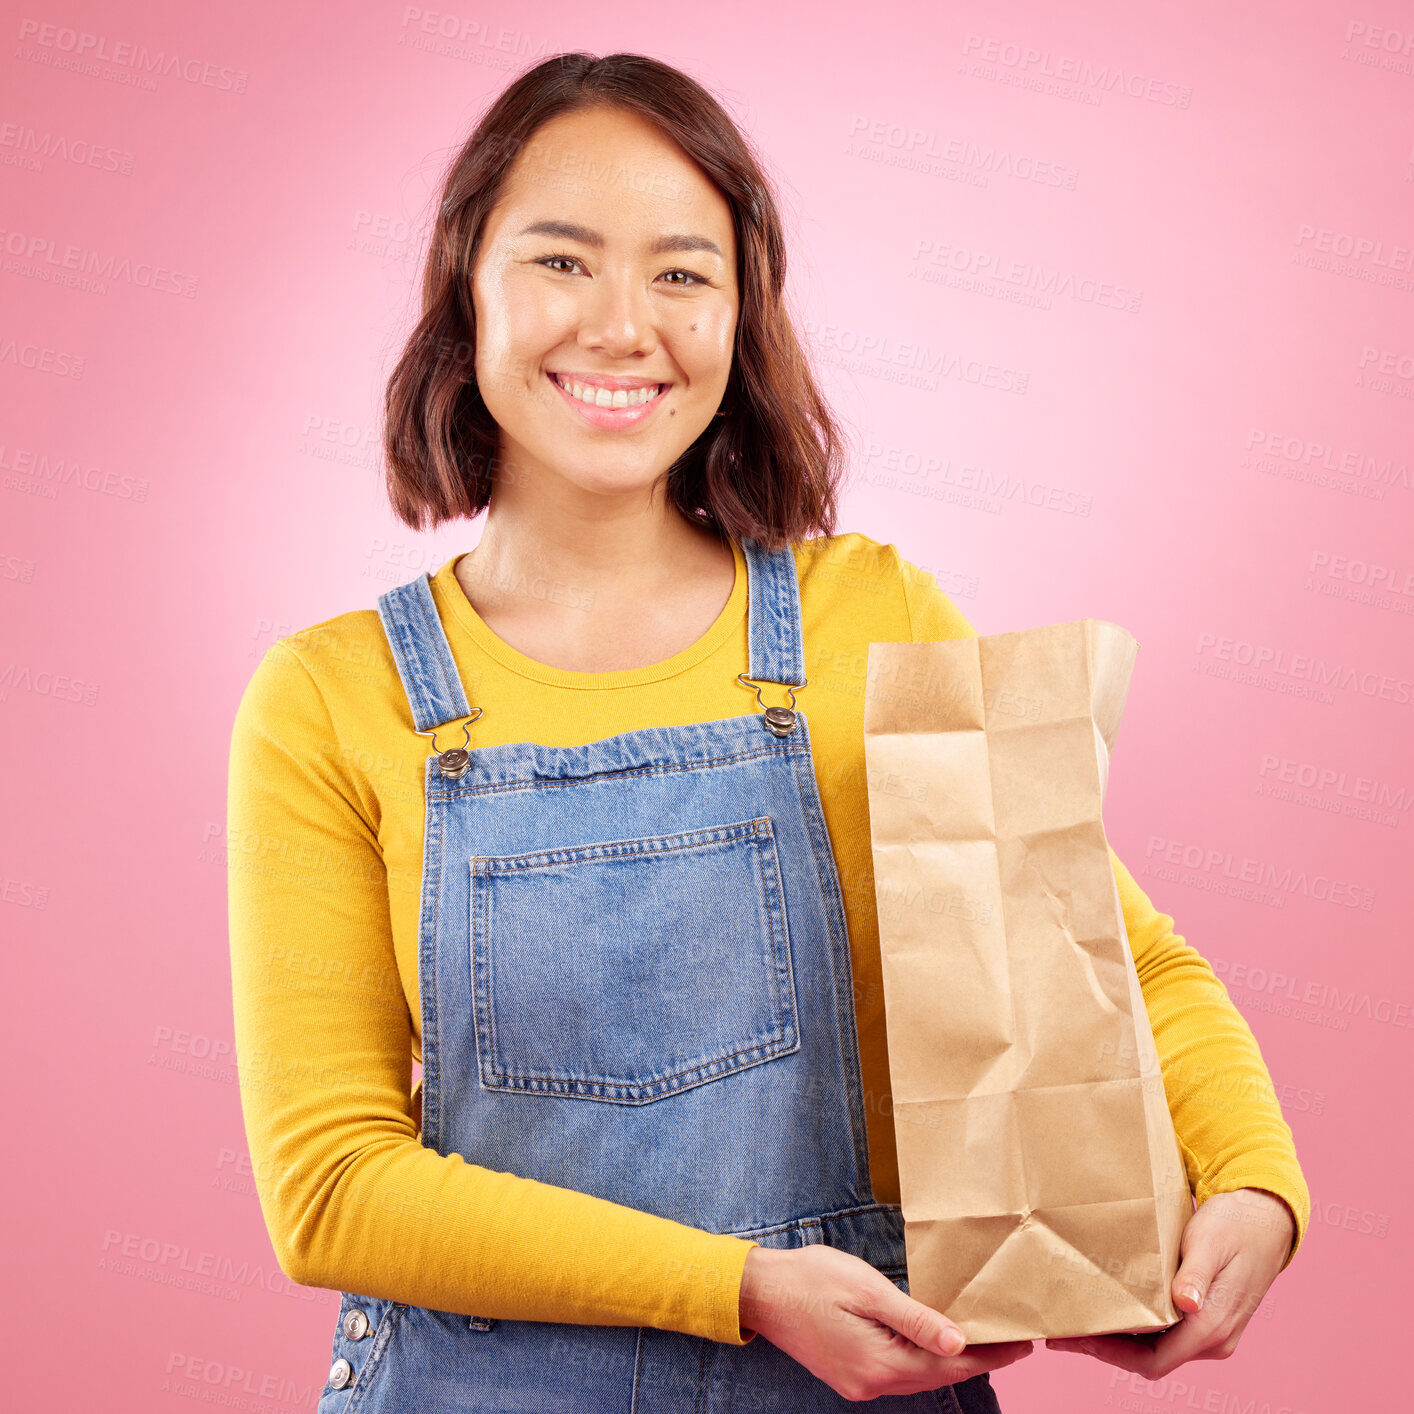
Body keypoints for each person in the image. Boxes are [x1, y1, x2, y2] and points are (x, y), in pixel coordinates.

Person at [227, 51, 1309, 1412]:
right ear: (465, 294)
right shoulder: (335, 696)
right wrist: (740, 1286)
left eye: (683, 273)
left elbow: (1122, 964)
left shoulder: (878, 619)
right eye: (562, 262)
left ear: (743, 316)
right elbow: (330, 1186)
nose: (624, 325)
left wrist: (1257, 1189)